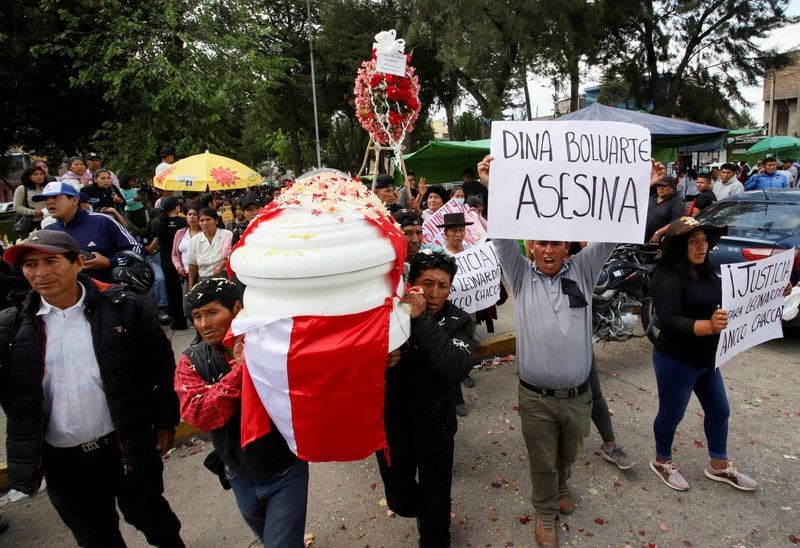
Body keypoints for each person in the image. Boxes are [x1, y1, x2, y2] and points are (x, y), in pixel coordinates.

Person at [477, 154, 659, 547]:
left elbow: (611, 232)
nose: (547, 250)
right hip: (536, 398)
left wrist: (640, 186)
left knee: (569, 451)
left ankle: (562, 486)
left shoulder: (583, 269)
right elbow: (502, 237)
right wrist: (495, 188)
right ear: (530, 245)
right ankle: (545, 511)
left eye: (555, 242)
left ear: (566, 246)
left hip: (579, 397)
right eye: (540, 242)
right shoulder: (522, 275)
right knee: (541, 459)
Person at [0, 231, 184, 547]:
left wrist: (166, 421)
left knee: (155, 521)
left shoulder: (124, 308)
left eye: (51, 261)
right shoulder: (11, 327)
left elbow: (160, 366)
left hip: (125, 446)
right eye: (30, 264)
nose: (41, 273)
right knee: (95, 537)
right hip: (63, 462)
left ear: (78, 263)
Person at [175, 279, 308, 546]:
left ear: (237, 308)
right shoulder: (192, 361)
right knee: (267, 537)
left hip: (286, 469)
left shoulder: (273, 344)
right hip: (239, 475)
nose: (203, 324)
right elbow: (200, 415)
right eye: (197, 317)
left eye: (212, 313)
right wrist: (241, 371)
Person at [650, 216, 758, 493]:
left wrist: (770, 294)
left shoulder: (709, 272)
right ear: (678, 247)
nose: (701, 246)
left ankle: (718, 465)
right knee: (671, 414)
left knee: (720, 410)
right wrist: (708, 326)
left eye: (704, 241)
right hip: (676, 360)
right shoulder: (667, 276)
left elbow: (733, 298)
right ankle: (662, 460)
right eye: (693, 241)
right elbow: (669, 320)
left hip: (707, 359)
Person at [376, 251, 475, 548]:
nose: (433, 294)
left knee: (436, 508)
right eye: (427, 283)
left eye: (442, 286)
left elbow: (454, 367)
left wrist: (419, 319)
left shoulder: (459, 320)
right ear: (411, 285)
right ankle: (426, 511)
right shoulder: (389, 317)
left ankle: (434, 532)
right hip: (392, 433)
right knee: (401, 501)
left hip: (436, 432)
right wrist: (375, 361)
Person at [34, 181, 141, 283]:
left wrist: (109, 263)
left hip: (107, 294)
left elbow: (135, 248)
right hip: (67, 297)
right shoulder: (48, 232)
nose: (49, 202)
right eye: (46, 199)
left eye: (55, 197)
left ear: (75, 200)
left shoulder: (102, 221)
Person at [187, 208, 232, 288]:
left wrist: (221, 265)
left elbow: (231, 255)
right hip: (204, 279)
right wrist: (191, 286)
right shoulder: (195, 240)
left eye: (208, 219)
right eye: (201, 220)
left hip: (225, 277)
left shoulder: (227, 235)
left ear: (216, 221)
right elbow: (192, 265)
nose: (205, 223)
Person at [645, 175, 684, 244]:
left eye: (664, 186)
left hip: (659, 242)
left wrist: (659, 232)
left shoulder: (676, 202)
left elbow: (677, 222)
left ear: (672, 187)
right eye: (658, 185)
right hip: (644, 239)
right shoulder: (652, 198)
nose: (660, 188)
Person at [13, 165, 47, 237]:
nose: (39, 176)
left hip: (48, 220)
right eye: (35, 174)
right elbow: (16, 207)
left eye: (41, 174)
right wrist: (33, 212)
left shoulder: (47, 187)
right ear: (29, 176)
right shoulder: (22, 189)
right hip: (32, 223)